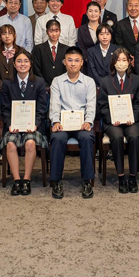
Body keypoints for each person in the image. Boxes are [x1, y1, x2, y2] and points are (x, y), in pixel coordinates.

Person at [48, 47, 97, 199]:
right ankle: (56, 180)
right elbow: (54, 104)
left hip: (82, 123)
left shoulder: (89, 82)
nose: (73, 64)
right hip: (63, 123)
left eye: (76, 61)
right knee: (57, 138)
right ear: (64, 62)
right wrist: (55, 121)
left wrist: (89, 121)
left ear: (82, 63)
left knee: (87, 137)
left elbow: (91, 105)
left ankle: (87, 180)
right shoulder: (57, 81)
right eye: (70, 60)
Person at [0, 50, 49, 196]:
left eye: (26, 61)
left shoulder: (39, 82)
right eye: (19, 61)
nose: (23, 64)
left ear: (31, 64)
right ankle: (16, 180)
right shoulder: (7, 83)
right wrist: (9, 123)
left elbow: (42, 108)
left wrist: (35, 124)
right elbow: (5, 108)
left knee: (30, 144)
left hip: (33, 126)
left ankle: (26, 179)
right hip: (14, 126)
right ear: (14, 64)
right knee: (10, 144)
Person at [97, 48, 139, 194]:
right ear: (113, 62)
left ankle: (133, 176)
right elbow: (102, 105)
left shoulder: (137, 80)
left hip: (132, 121)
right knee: (116, 137)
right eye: (118, 60)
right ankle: (121, 176)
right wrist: (112, 119)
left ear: (129, 62)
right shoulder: (105, 81)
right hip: (113, 122)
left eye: (124, 60)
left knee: (135, 137)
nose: (121, 63)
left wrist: (132, 117)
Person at [0, 24, 27, 91]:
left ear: (14, 35)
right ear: (0, 37)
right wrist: (1, 85)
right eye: (4, 34)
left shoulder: (21, 51)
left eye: (10, 33)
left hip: (17, 88)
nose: (7, 36)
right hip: (0, 89)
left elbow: (25, 69)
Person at [32, 19, 68, 87]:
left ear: (60, 31)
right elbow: (36, 69)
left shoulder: (66, 49)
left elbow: (67, 69)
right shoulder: (38, 48)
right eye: (51, 31)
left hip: (62, 86)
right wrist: (44, 84)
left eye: (56, 31)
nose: (54, 34)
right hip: (43, 86)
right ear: (47, 32)